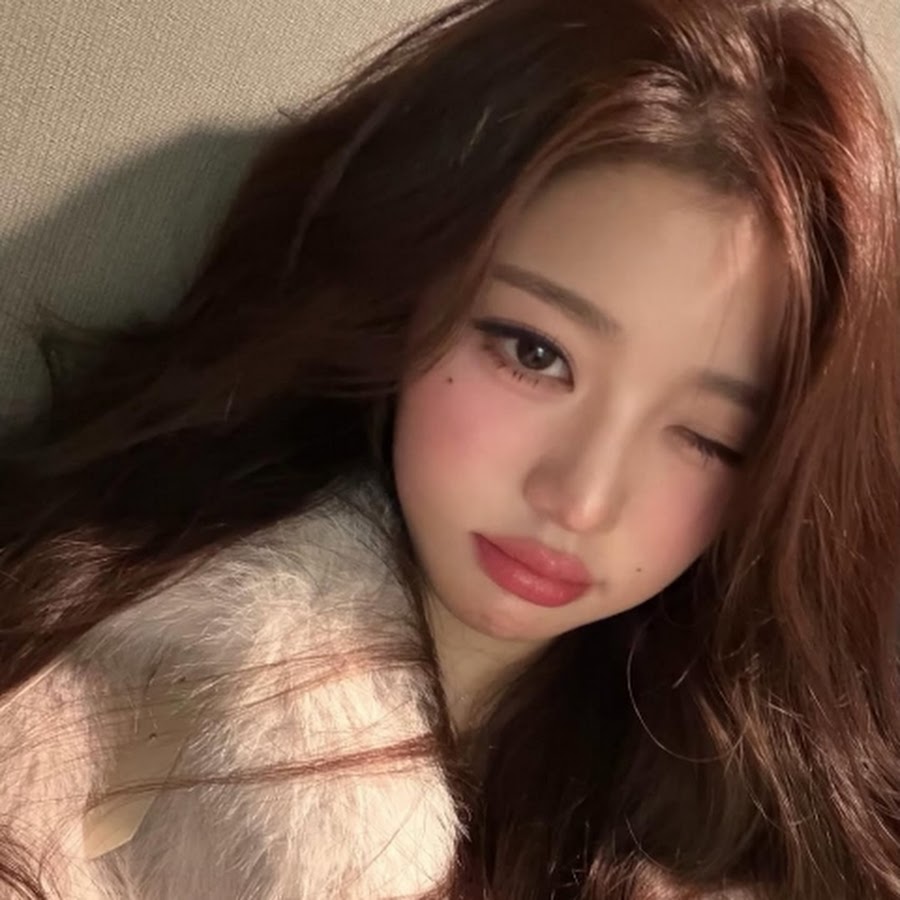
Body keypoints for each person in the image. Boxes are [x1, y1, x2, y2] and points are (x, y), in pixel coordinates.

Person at [0, 0, 898, 896]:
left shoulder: (780, 819)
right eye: (534, 355)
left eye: (708, 436)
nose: (580, 498)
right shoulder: (83, 719)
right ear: (405, 292)